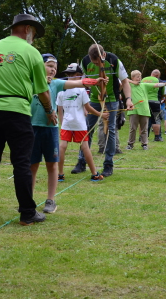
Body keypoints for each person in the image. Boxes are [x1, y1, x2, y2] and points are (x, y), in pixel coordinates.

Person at [0, 13, 54, 226]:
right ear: (28, 29)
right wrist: (50, 111)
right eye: (34, 33)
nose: (34, 38)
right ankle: (27, 212)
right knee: (21, 162)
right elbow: (42, 90)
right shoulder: (31, 52)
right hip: (17, 112)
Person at [30, 54, 106, 213]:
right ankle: (28, 200)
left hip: (50, 129)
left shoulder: (57, 83)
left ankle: (50, 200)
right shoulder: (30, 81)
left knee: (52, 164)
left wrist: (95, 81)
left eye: (55, 68)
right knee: (32, 166)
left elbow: (79, 82)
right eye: (50, 66)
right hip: (32, 127)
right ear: (40, 65)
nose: (53, 70)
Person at [72, 44, 134, 177]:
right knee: (87, 128)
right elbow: (81, 81)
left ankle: (108, 164)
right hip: (94, 99)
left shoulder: (114, 60)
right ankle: (81, 162)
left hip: (111, 99)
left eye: (99, 61)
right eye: (94, 62)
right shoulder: (85, 62)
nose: (97, 64)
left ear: (104, 55)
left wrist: (128, 99)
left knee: (110, 129)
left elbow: (125, 81)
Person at [57, 63, 109, 181]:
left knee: (63, 146)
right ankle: (94, 174)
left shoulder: (62, 90)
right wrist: (102, 114)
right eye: (69, 75)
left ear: (79, 76)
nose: (71, 77)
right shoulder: (81, 90)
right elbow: (88, 107)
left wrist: (62, 123)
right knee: (84, 147)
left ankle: (60, 174)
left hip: (68, 124)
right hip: (78, 124)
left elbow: (60, 110)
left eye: (73, 75)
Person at [126, 70, 166, 150]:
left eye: (140, 77)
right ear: (133, 77)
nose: (139, 78)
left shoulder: (144, 85)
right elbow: (123, 80)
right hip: (134, 109)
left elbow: (156, 85)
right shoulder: (129, 85)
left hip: (144, 109)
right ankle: (130, 144)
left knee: (144, 129)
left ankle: (144, 144)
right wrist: (132, 82)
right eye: (137, 77)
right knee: (133, 128)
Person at [141, 69, 165, 142]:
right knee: (156, 119)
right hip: (155, 101)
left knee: (144, 119)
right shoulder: (160, 81)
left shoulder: (143, 79)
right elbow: (164, 93)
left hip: (144, 101)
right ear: (157, 75)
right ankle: (157, 137)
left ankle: (142, 137)